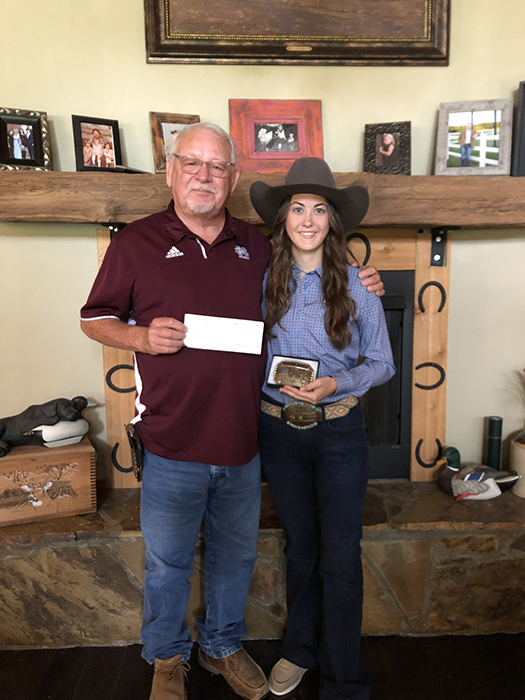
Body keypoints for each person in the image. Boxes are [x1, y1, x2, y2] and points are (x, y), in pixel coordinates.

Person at [80, 123, 384, 700]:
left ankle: (221, 646)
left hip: (247, 440)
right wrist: (141, 337)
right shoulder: (135, 242)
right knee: (167, 563)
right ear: (170, 170)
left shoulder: (257, 247)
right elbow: (93, 318)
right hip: (171, 441)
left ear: (233, 179)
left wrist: (362, 276)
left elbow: (315, 267)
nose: (203, 175)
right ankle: (167, 659)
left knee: (235, 558)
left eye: (216, 167)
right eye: (191, 163)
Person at [250, 157, 395, 700]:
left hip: (338, 433)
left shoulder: (360, 285)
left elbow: (382, 362)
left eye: (318, 209)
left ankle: (345, 679)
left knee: (340, 553)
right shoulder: (258, 279)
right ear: (283, 219)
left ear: (333, 221)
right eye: (296, 208)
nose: (307, 219)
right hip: (278, 432)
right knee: (301, 548)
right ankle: (300, 649)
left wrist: (336, 385)